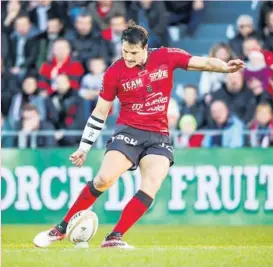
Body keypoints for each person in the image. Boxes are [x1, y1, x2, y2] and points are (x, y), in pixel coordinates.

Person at [33, 20, 245, 249]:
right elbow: (100, 111)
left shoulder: (166, 56)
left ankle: (114, 237)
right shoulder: (114, 71)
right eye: (125, 51)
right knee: (104, 179)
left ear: (145, 48)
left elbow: (201, 62)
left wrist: (225, 67)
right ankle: (61, 228)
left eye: (134, 52)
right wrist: (84, 147)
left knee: (152, 183)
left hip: (159, 136)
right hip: (128, 131)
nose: (129, 57)